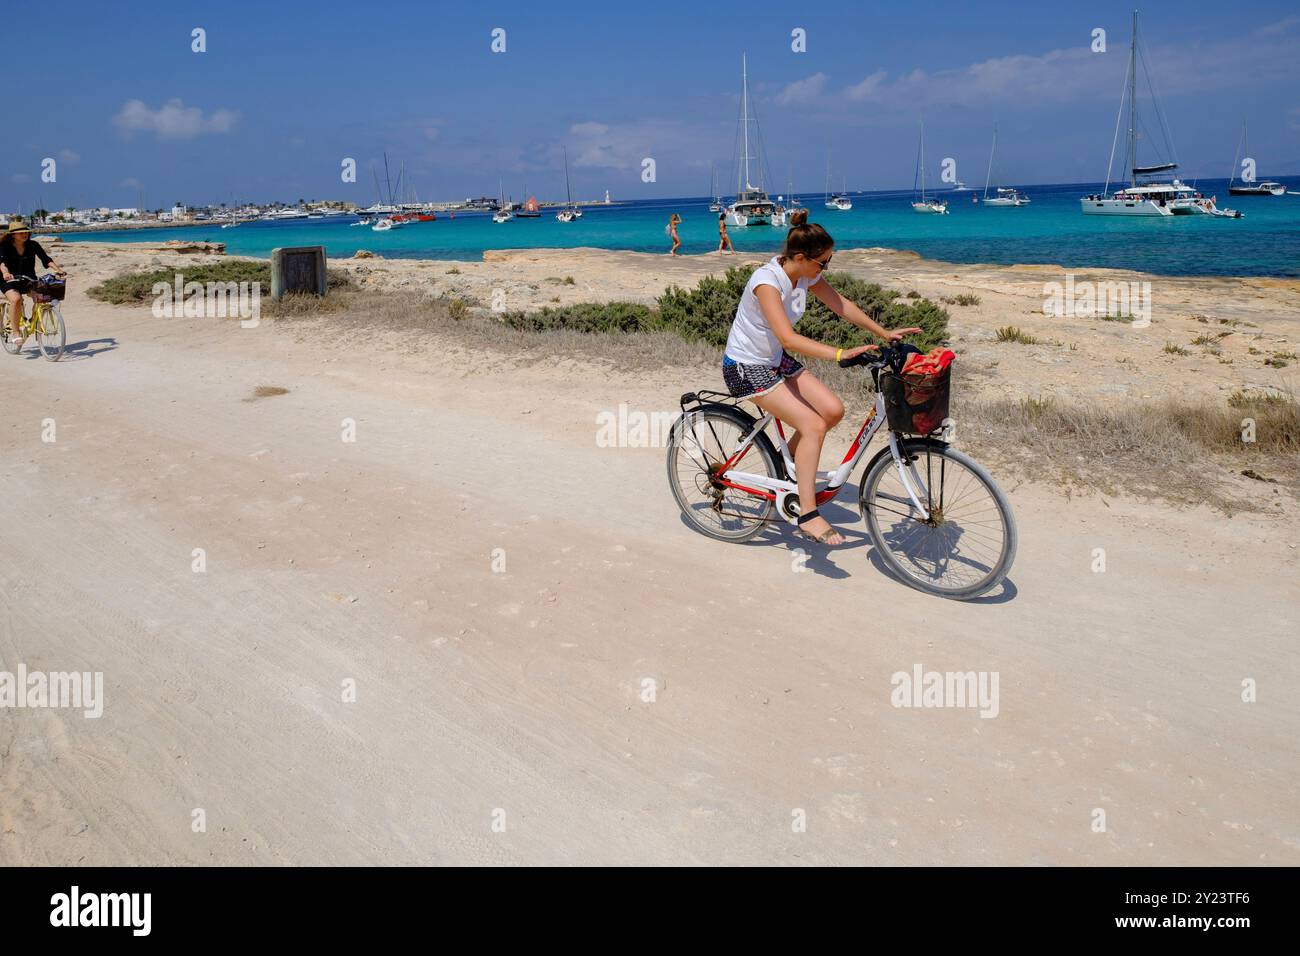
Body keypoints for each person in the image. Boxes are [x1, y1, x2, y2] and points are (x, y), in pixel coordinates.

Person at [721, 209, 920, 546]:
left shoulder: (804, 276)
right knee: (813, 425)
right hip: (745, 366)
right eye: (822, 263)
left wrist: (884, 332)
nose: (825, 269)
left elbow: (840, 304)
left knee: (832, 411)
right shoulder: (767, 283)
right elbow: (788, 338)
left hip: (773, 360)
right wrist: (840, 354)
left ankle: (791, 469)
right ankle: (808, 515)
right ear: (800, 257)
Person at [1, 221, 65, 346]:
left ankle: (33, 320)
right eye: (20, 233)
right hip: (8, 279)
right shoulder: (4, 246)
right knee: (16, 299)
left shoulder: (33, 245)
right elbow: (2, 263)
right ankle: (15, 332)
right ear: (13, 235)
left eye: (26, 232)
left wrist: (58, 270)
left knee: (41, 297)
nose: (24, 234)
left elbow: (45, 259)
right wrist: (5, 273)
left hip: (28, 278)